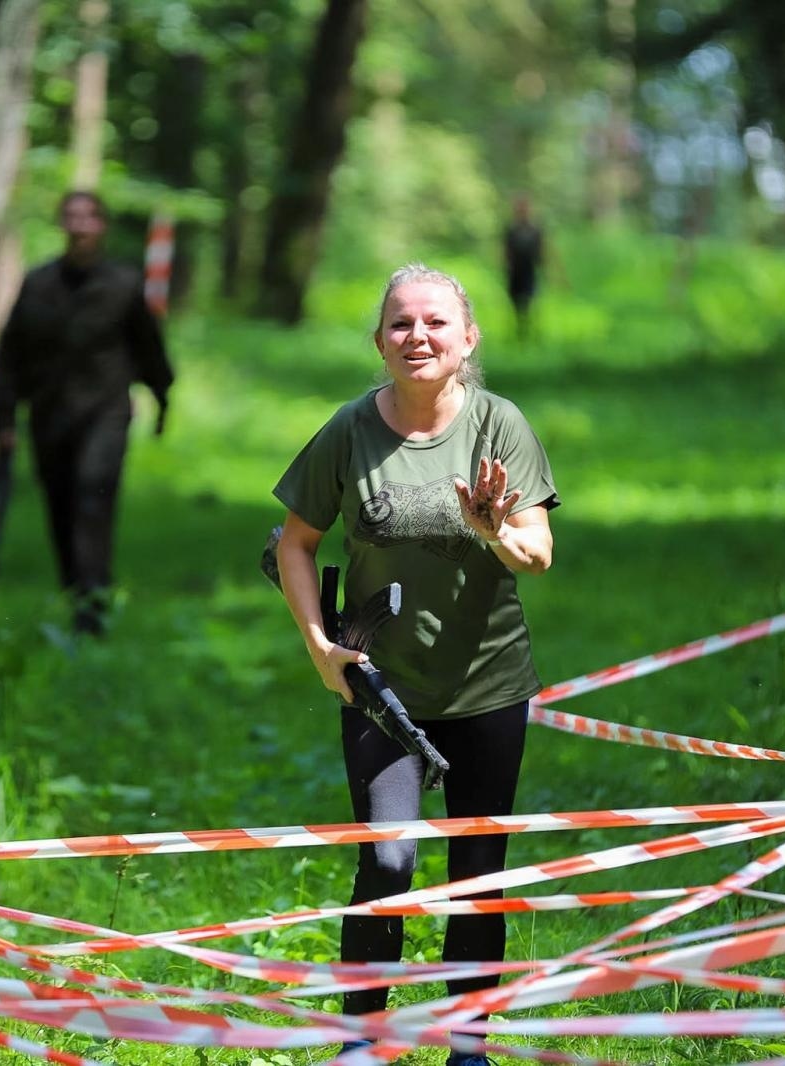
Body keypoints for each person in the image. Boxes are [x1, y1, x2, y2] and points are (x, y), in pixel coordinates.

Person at [272, 264, 558, 1064]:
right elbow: (295, 541)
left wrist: (492, 526)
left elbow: (537, 554)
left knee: (476, 871)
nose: (417, 336)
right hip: (378, 688)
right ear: (379, 341)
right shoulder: (349, 429)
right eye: (400, 323)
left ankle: (468, 1046)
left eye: (436, 322)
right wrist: (319, 646)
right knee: (389, 862)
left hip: (488, 688)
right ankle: (362, 1045)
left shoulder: (500, 425)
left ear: (467, 339)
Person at [0, 190, 173, 635]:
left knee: (93, 497)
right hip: (49, 413)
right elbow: (10, 353)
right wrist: (5, 417)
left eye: (89, 217)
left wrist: (162, 397)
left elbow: (149, 349)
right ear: (61, 224)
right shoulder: (37, 284)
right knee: (60, 503)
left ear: (101, 226)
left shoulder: (124, 285)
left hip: (105, 413)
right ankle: (77, 589)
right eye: (71, 216)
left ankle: (92, 603)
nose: (80, 224)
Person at [502, 195, 545, 339]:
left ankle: (531, 331)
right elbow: (505, 251)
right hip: (515, 272)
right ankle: (520, 330)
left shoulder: (535, 230)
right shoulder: (511, 231)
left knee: (529, 301)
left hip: (529, 271)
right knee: (515, 303)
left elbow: (543, 251)